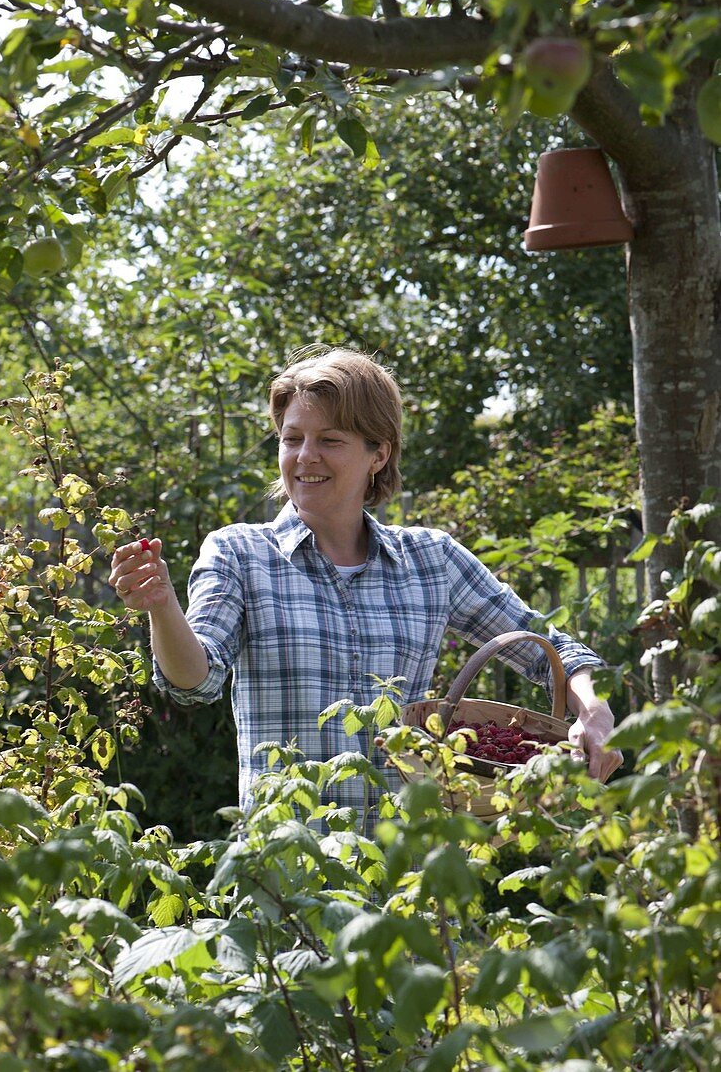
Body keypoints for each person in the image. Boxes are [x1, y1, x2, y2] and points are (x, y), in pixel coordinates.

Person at [109, 346, 622, 820]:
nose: (305, 456)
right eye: (292, 439)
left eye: (330, 440)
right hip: (288, 870)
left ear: (378, 453)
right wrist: (161, 606)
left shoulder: (431, 560)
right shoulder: (240, 553)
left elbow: (553, 651)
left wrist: (594, 713)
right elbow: (195, 681)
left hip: (409, 870)